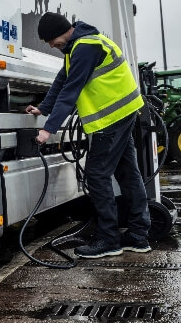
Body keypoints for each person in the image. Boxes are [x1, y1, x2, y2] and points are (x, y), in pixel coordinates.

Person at [25, 13, 151, 259]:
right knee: (128, 173)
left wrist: (47, 130)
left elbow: (71, 91)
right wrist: (43, 108)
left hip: (112, 116)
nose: (51, 46)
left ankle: (109, 239)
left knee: (96, 175)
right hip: (122, 112)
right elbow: (62, 80)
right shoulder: (80, 44)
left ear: (61, 32)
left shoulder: (85, 47)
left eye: (51, 40)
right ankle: (138, 235)